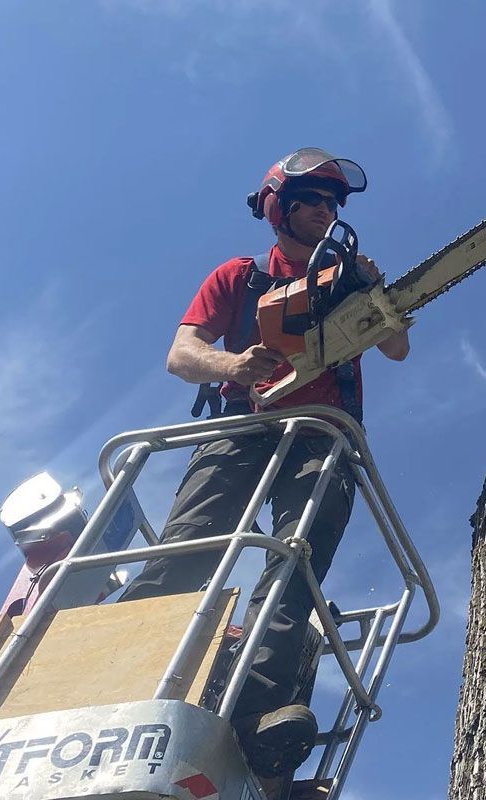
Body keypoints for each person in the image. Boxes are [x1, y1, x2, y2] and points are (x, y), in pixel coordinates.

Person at [120, 147, 410, 778]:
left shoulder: (351, 276)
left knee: (294, 557)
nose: (328, 212)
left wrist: (373, 291)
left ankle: (254, 706)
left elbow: (396, 347)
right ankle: (119, 670)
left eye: (335, 203)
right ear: (281, 206)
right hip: (242, 426)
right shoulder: (240, 276)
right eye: (316, 201)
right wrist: (233, 365)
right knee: (188, 547)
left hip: (320, 435)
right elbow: (181, 353)